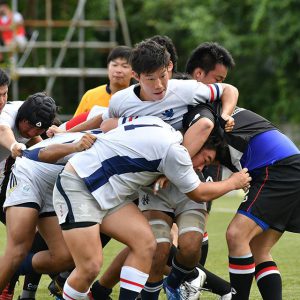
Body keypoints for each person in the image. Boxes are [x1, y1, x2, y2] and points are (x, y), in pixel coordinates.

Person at [52, 115, 251, 300]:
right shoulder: (176, 152)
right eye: (205, 160)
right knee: (89, 267)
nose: (200, 168)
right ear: (197, 143)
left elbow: (109, 124)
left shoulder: (162, 125)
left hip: (108, 191)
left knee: (147, 243)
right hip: (80, 184)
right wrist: (234, 182)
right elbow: (198, 193)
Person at [183, 105, 300, 300]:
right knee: (259, 249)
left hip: (278, 168)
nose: (201, 165)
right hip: (287, 167)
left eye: (201, 158)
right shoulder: (220, 119)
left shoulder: (210, 119)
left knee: (237, 234)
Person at [0, 129, 98, 295]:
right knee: (18, 249)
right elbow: (41, 150)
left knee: (63, 257)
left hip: (54, 182)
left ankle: (13, 267)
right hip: (29, 172)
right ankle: (12, 267)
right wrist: (73, 142)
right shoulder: (118, 118)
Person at [73, 45, 133, 117]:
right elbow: (74, 125)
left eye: (124, 66)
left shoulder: (138, 99)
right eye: (115, 65)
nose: (118, 70)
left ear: (134, 72)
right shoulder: (90, 96)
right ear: (108, 67)